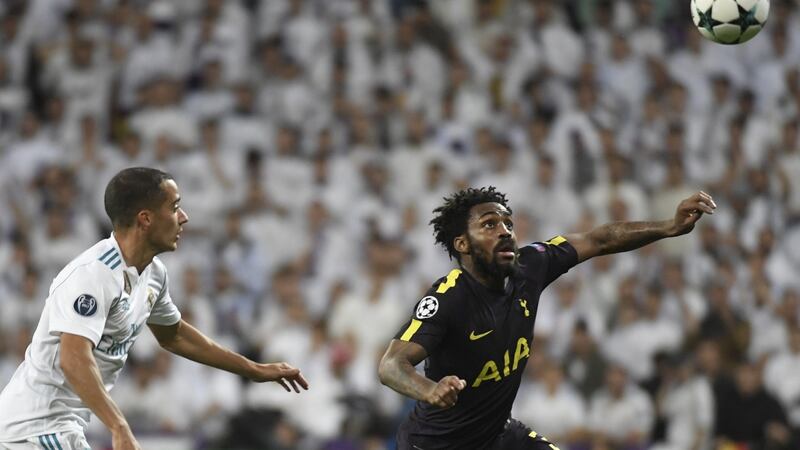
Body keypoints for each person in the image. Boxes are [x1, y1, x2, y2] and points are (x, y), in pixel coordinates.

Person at [378, 186, 715, 450]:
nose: (505, 231)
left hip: (498, 436)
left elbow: (599, 240)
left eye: (508, 223)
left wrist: (668, 227)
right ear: (462, 244)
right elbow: (391, 365)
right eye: (490, 225)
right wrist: (429, 389)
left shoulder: (531, 265)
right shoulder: (447, 298)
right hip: (437, 445)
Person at [0, 168, 309, 450]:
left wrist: (252, 369)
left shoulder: (154, 273)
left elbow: (173, 335)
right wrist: (119, 426)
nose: (184, 216)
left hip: (63, 427)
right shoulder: (92, 275)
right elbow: (73, 358)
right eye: (174, 207)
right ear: (145, 219)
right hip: (33, 427)